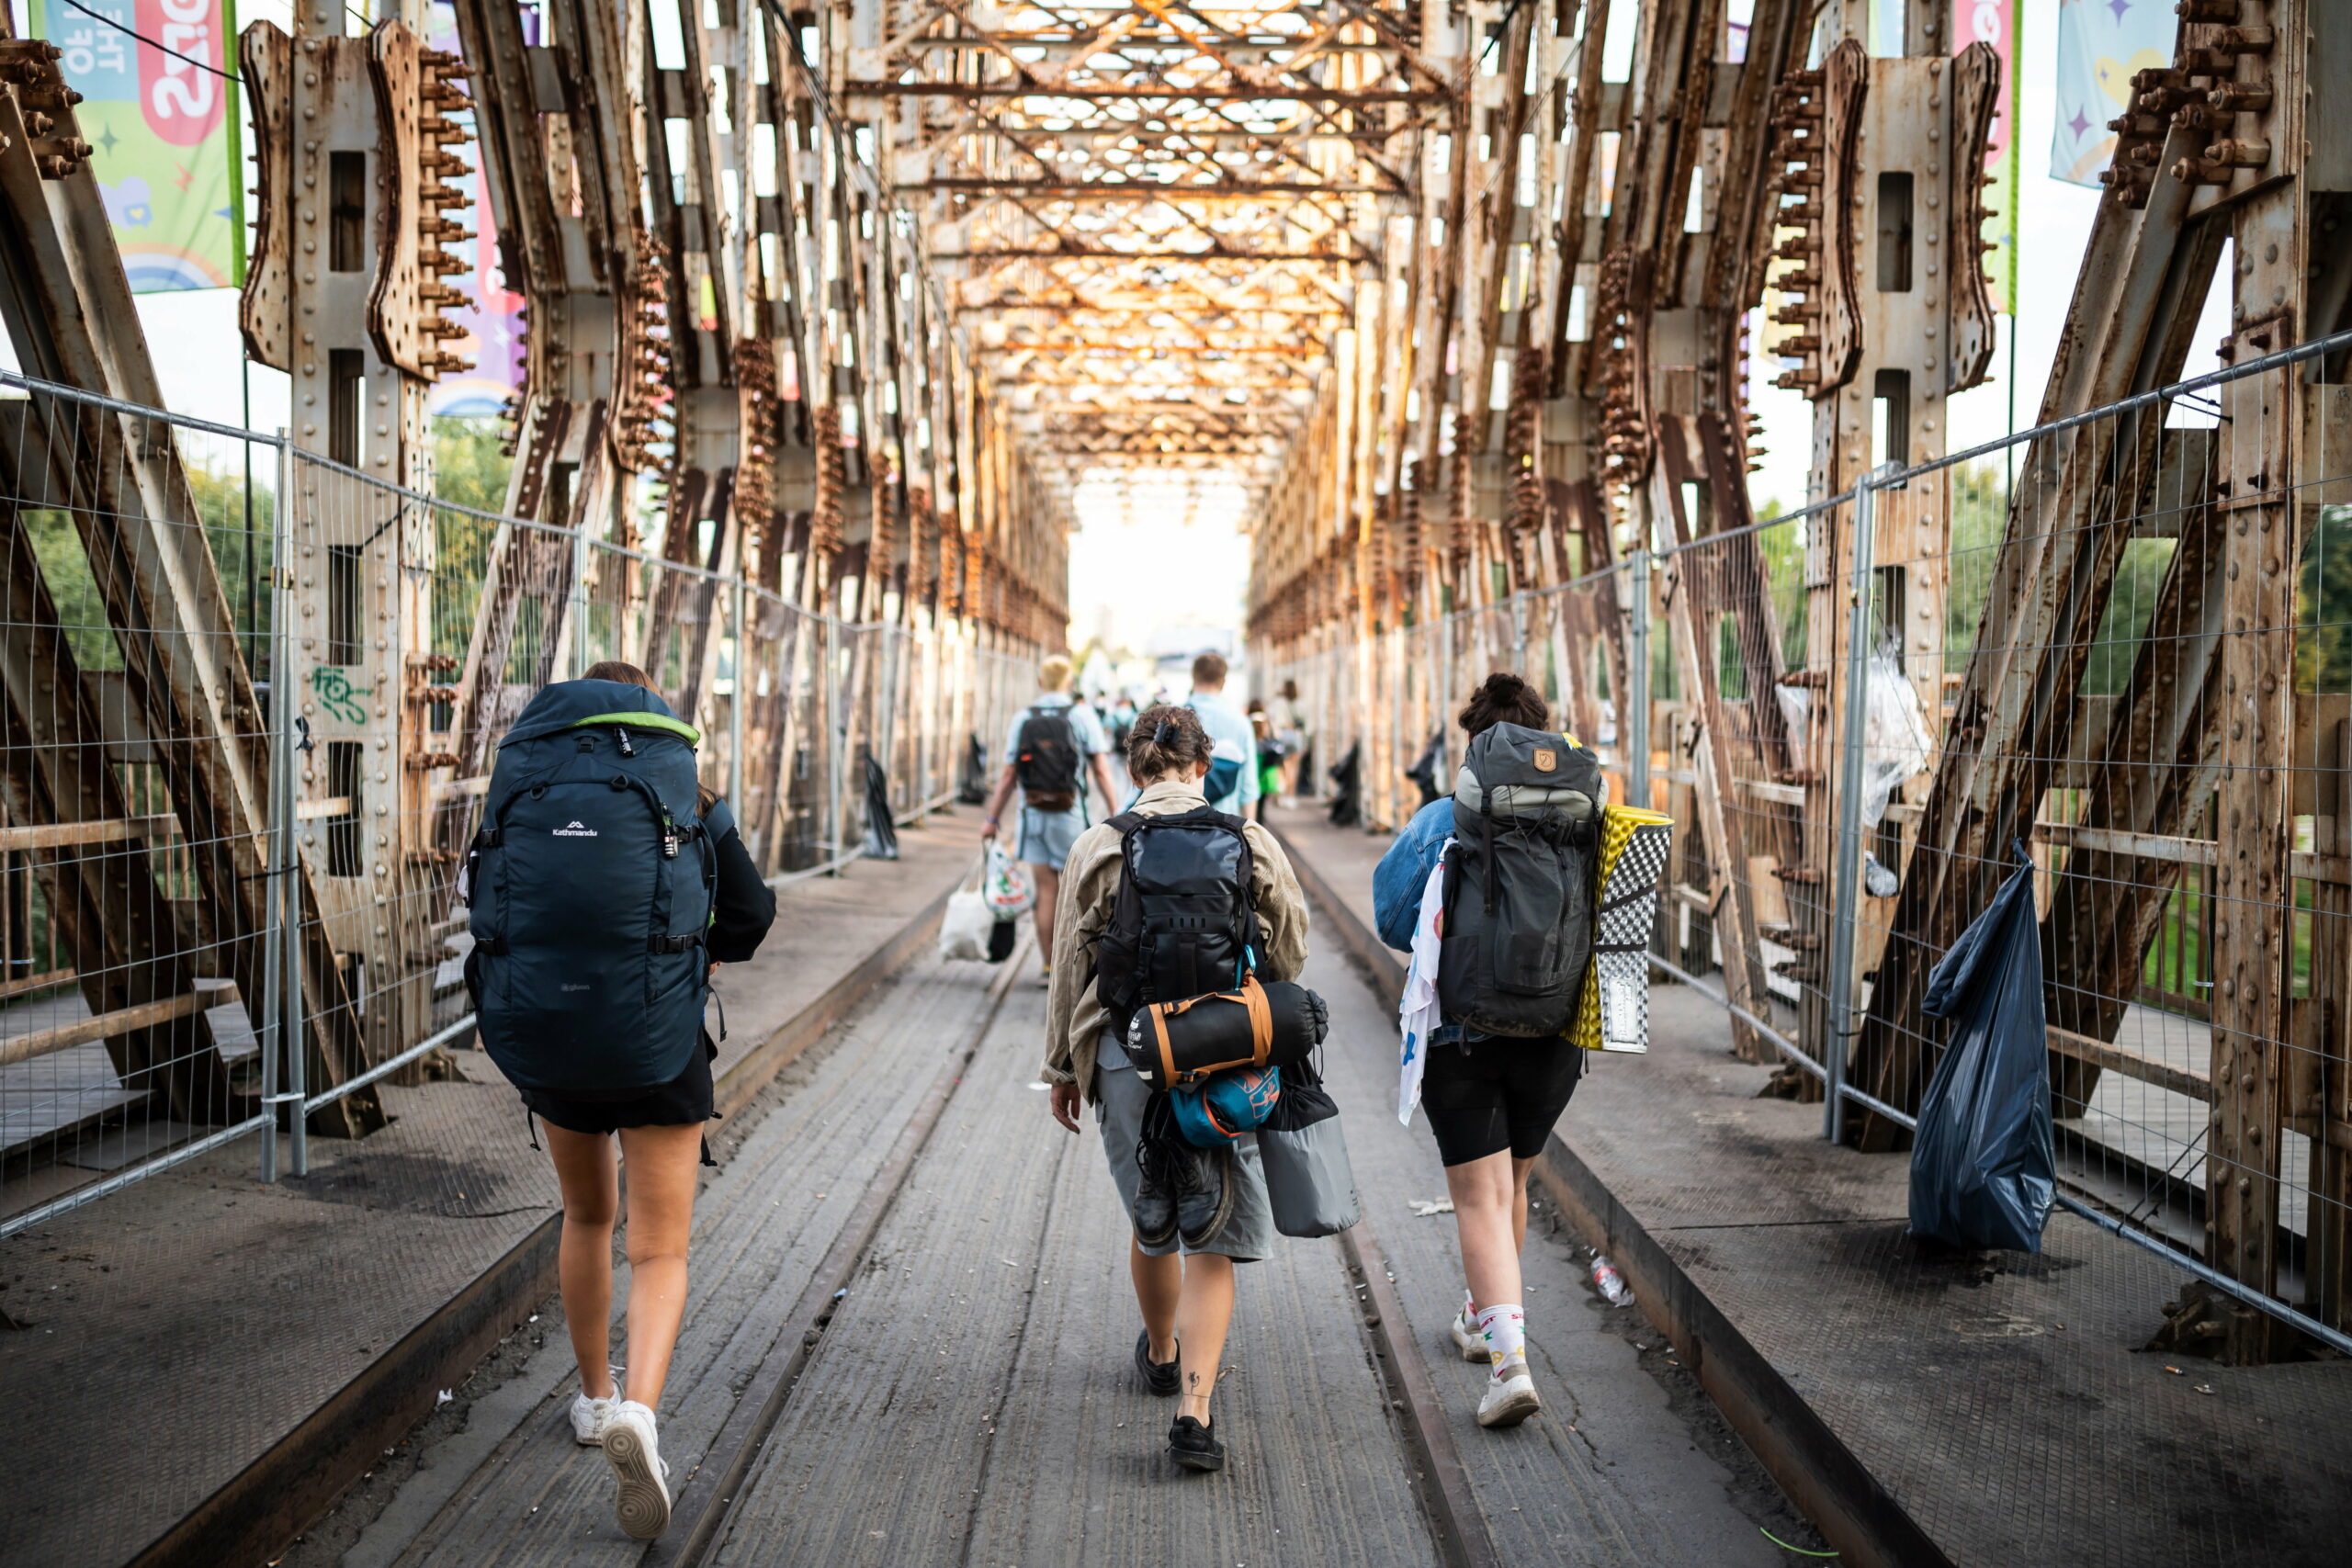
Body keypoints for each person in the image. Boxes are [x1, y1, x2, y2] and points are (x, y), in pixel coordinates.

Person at [488, 660, 776, 1539]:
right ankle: (640, 1415)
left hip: (552, 1035)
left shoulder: (529, 774)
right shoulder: (685, 785)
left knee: (585, 1217)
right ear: (651, 711)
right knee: (659, 1248)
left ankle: (591, 1396)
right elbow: (754, 913)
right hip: (658, 1040)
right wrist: (697, 950)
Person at [1040, 704, 1310, 1475]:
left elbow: (1069, 966)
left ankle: (1160, 1352)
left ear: (1133, 768)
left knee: (1151, 1215)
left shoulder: (1099, 844)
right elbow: (1290, 948)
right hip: (1222, 1052)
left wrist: (1063, 1064)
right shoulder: (1247, 839)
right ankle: (1195, 1410)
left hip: (1127, 1054)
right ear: (1205, 763)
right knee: (1212, 1231)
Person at [1370, 671, 1586, 1431]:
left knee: (1478, 1196)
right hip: (1553, 1033)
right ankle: (1479, 1315)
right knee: (1513, 1185)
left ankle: (1508, 1365)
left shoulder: (1444, 816)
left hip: (1463, 1032)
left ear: (1474, 743)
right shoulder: (1582, 815)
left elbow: (1393, 919)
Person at [982, 654, 1120, 987]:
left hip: (1033, 817)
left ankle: (1048, 967)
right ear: (1069, 682)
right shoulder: (1081, 714)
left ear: (1041, 682)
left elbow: (1008, 774)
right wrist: (1117, 813)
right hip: (1070, 815)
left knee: (1046, 890)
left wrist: (992, 818)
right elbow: (1101, 768)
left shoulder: (1023, 718)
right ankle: (1071, 967)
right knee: (1074, 892)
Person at [1183, 650, 1258, 818]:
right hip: (1226, 827)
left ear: (1194, 677)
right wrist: (1249, 837)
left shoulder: (1173, 719)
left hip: (1180, 824)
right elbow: (1248, 787)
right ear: (1223, 682)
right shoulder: (1241, 722)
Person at [1271, 678, 1309, 798]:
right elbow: (1305, 723)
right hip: (1296, 737)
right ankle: (1290, 795)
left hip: (1284, 736)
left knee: (1283, 768)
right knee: (1294, 769)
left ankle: (1281, 794)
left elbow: (1275, 720)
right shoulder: (1300, 703)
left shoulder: (1279, 702)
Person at [1246, 697, 1281, 821]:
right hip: (1264, 772)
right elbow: (1275, 740)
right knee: (1261, 807)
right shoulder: (1267, 721)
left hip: (1253, 767)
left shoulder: (1246, 721)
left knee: (1250, 805)